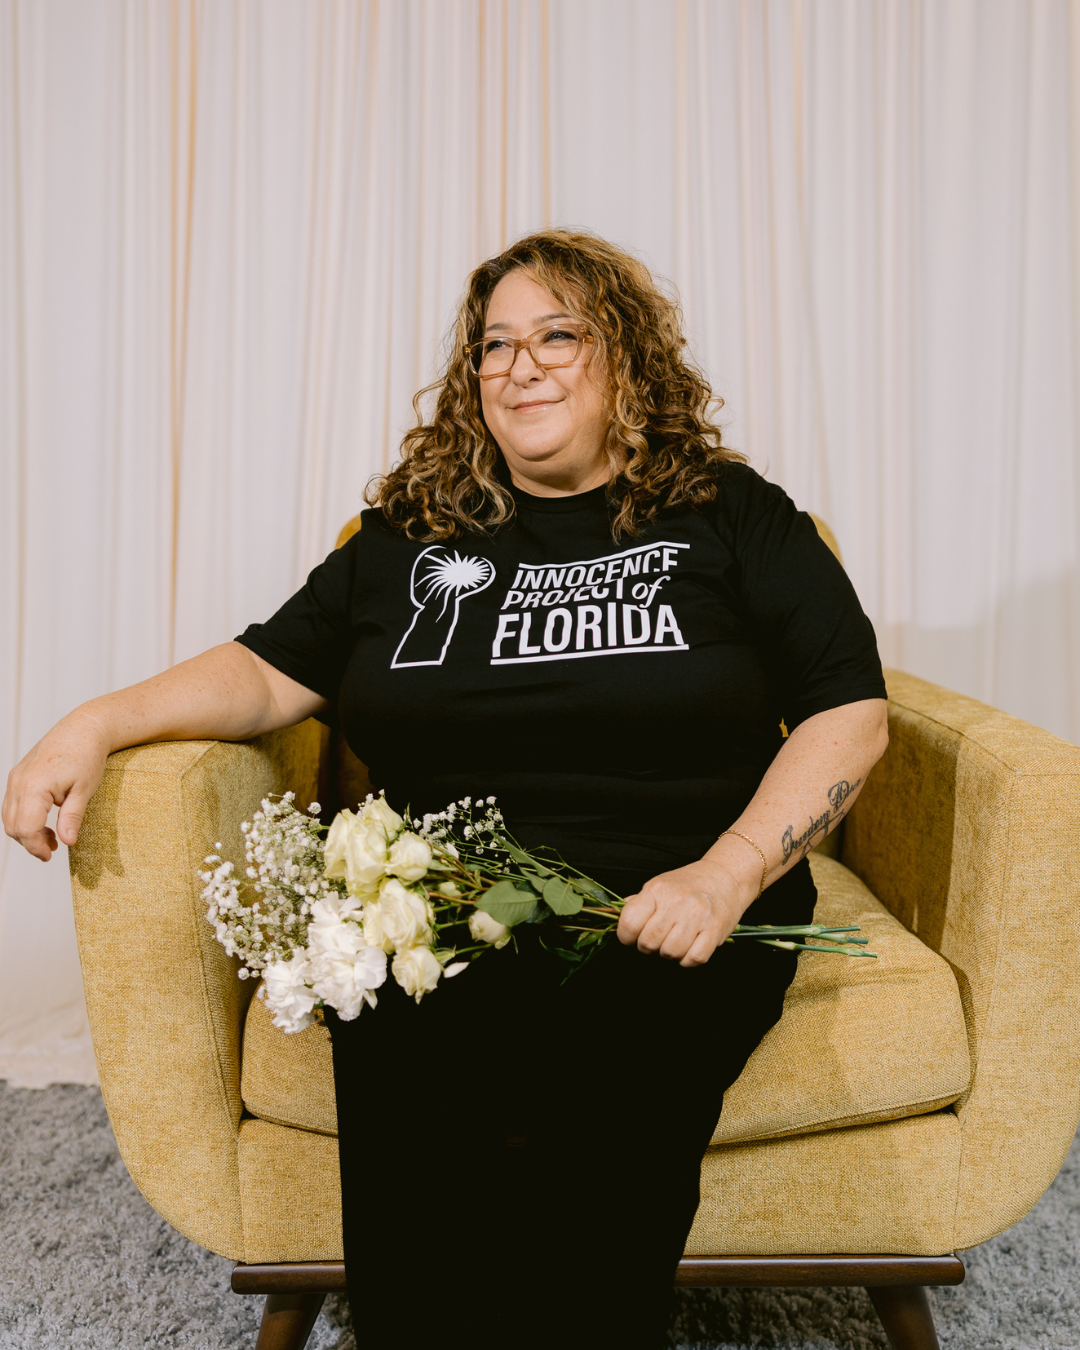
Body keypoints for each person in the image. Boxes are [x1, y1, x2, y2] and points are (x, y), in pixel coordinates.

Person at [4, 229, 888, 1349]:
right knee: (409, 1091)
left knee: (615, 1099)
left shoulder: (731, 513)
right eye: (494, 345)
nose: (520, 366)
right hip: (446, 897)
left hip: (671, 895)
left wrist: (730, 872)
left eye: (557, 336)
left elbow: (848, 707)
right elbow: (266, 673)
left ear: (627, 359)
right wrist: (90, 722)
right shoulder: (410, 536)